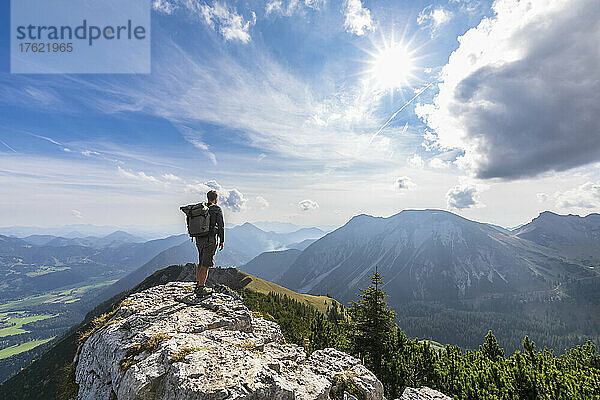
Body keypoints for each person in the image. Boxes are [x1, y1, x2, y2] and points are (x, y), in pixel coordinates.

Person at [194, 190, 224, 296]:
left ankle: (198, 284)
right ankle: (201, 288)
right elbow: (221, 226)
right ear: (216, 198)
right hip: (210, 239)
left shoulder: (202, 208)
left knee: (201, 261)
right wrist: (222, 240)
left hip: (199, 239)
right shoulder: (216, 209)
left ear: (207, 197)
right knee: (206, 264)